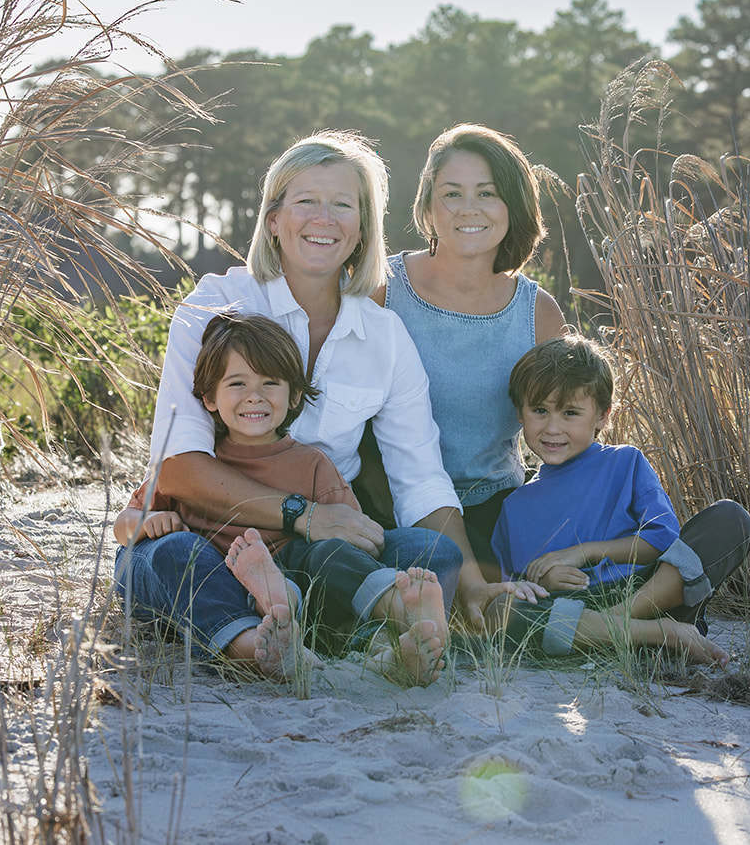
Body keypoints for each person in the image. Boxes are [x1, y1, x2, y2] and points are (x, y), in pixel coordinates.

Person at [115, 130, 508, 675]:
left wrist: (472, 582)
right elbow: (178, 467)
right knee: (167, 557)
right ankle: (256, 647)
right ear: (274, 219)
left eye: (342, 204)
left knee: (431, 553)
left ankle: (357, 639)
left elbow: (420, 478)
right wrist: (305, 515)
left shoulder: (385, 336)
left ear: (362, 228)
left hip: (314, 558)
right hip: (213, 547)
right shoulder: (214, 306)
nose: (323, 219)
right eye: (306, 201)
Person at [116, 312, 448, 684]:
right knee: (183, 554)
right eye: (237, 383)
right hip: (217, 583)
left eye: (270, 383)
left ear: (294, 396)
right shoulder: (198, 463)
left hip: (298, 588)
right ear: (209, 397)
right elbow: (122, 527)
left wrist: (334, 553)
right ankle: (261, 644)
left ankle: (397, 626)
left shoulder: (312, 464)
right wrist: (147, 521)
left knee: (329, 555)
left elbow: (354, 538)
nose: (254, 396)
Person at [486, 334, 750, 665]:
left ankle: (619, 626)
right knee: (501, 609)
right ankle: (657, 636)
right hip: (575, 608)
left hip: (647, 593)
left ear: (602, 415)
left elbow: (663, 540)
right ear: (520, 413)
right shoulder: (514, 506)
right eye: (540, 410)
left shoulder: (625, 463)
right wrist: (541, 580)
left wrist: (586, 552)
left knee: (730, 518)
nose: (552, 428)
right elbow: (513, 585)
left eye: (570, 413)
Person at [376, 124, 565, 575]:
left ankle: (670, 577)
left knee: (556, 567)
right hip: (390, 504)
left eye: (487, 193)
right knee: (489, 583)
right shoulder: (382, 289)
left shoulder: (538, 313)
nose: (468, 209)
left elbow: (568, 426)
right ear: (428, 206)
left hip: (496, 504)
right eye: (451, 194)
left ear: (513, 204)